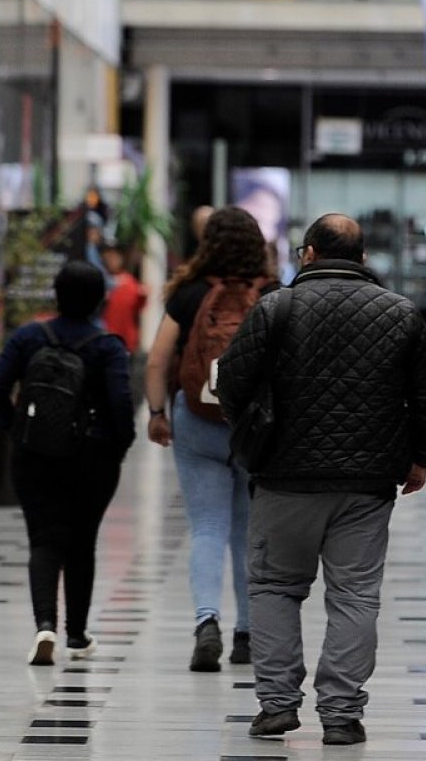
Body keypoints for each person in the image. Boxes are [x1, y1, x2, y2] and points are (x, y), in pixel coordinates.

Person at [216, 213, 426, 747]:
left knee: (275, 586)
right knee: (355, 596)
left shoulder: (276, 308)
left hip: (282, 477)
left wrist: (253, 436)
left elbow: (231, 381)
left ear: (308, 255)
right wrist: (421, 457)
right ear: (364, 260)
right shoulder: (401, 314)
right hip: (366, 484)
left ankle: (277, 704)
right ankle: (341, 713)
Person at [0, 260, 135, 666]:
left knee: (44, 539)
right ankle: (77, 633)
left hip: (33, 453)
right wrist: (120, 446)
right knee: (81, 541)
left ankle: (44, 625)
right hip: (93, 456)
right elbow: (122, 404)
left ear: (56, 293)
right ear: (99, 300)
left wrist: (14, 428)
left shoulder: (29, 337)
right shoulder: (108, 347)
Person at [144, 206, 275, 672]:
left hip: (198, 420)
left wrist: (158, 412)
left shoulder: (190, 294)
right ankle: (247, 635)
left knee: (206, 527)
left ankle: (206, 622)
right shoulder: (273, 294)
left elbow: (158, 361)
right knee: (247, 530)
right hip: (255, 427)